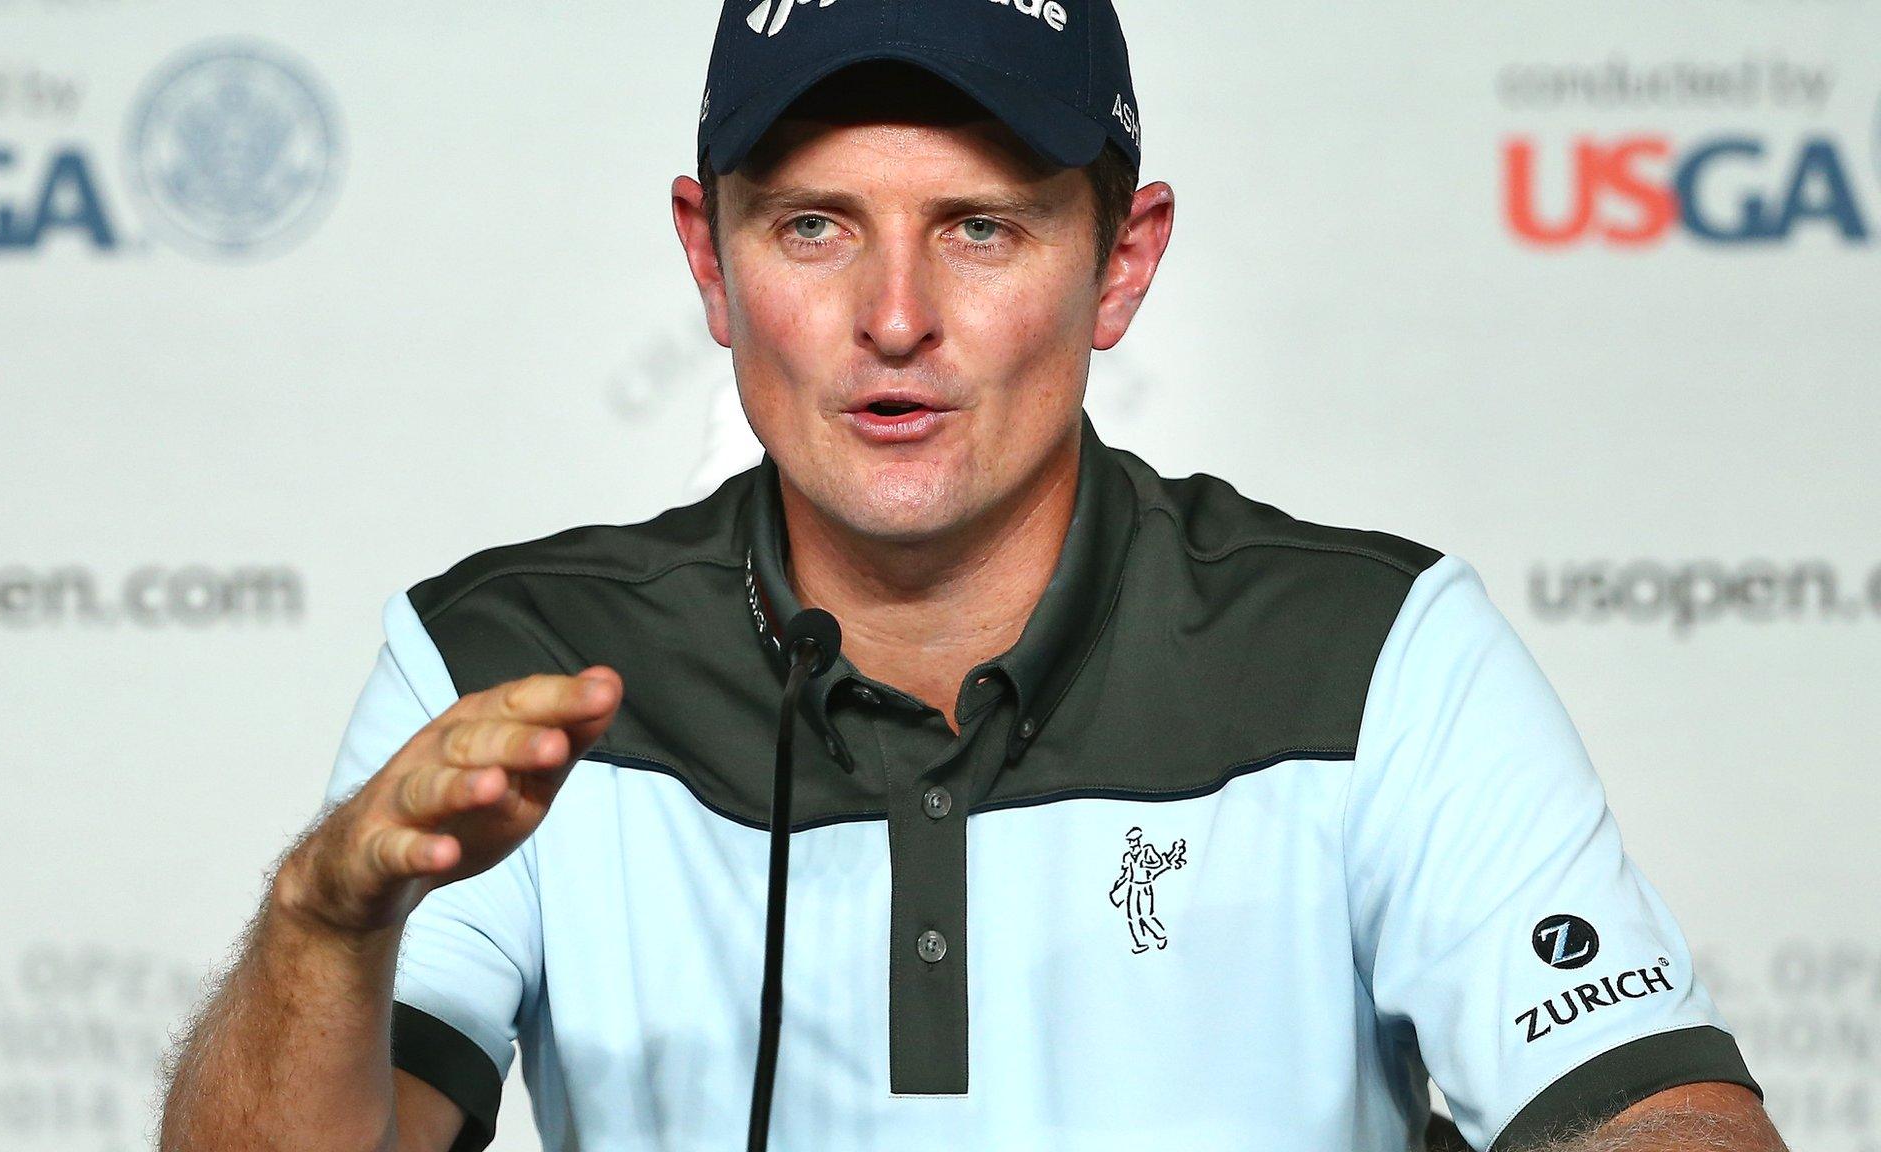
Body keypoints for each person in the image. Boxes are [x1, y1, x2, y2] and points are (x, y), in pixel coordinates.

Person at [156, 2, 1787, 1150]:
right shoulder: (507, 661)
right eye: (813, 227)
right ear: (708, 262)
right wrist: (325, 918)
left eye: (982, 229)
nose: (892, 317)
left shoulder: (1374, 653)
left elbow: (1662, 1118)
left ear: (1121, 265)